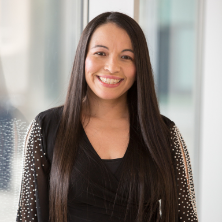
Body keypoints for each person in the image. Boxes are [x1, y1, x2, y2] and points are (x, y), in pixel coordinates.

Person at [16, 12, 198, 222]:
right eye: (100, 53)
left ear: (139, 67)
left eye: (126, 57)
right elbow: (27, 217)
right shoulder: (45, 127)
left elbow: (186, 217)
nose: (112, 67)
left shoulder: (165, 133)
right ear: (83, 57)